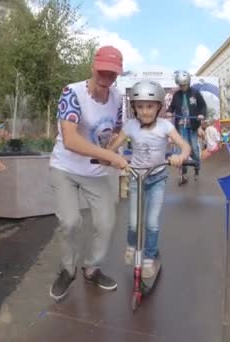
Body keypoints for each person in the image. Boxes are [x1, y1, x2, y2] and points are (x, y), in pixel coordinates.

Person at [48, 45, 129, 301]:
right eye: (103, 70)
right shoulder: (72, 93)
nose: (107, 76)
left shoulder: (117, 98)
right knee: (71, 222)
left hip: (96, 171)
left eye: (113, 73)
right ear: (93, 67)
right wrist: (111, 156)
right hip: (66, 167)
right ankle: (68, 269)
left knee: (106, 223)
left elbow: (117, 131)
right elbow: (70, 140)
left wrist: (115, 149)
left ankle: (92, 268)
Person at [107, 80, 190, 278]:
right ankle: (130, 244)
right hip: (136, 177)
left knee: (152, 223)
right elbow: (113, 148)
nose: (145, 111)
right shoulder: (130, 126)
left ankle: (149, 257)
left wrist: (180, 156)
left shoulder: (165, 126)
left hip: (158, 178)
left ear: (159, 107)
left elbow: (185, 145)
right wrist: (114, 158)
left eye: (150, 106)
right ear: (134, 108)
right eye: (140, 106)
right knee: (134, 223)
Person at [166, 70, 207, 184]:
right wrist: (169, 112)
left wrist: (201, 114)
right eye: (180, 85)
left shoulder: (195, 93)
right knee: (181, 150)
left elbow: (203, 106)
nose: (182, 87)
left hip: (192, 125)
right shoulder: (176, 95)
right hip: (180, 125)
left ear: (188, 82)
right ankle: (183, 173)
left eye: (183, 85)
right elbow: (171, 107)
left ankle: (197, 168)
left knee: (193, 148)